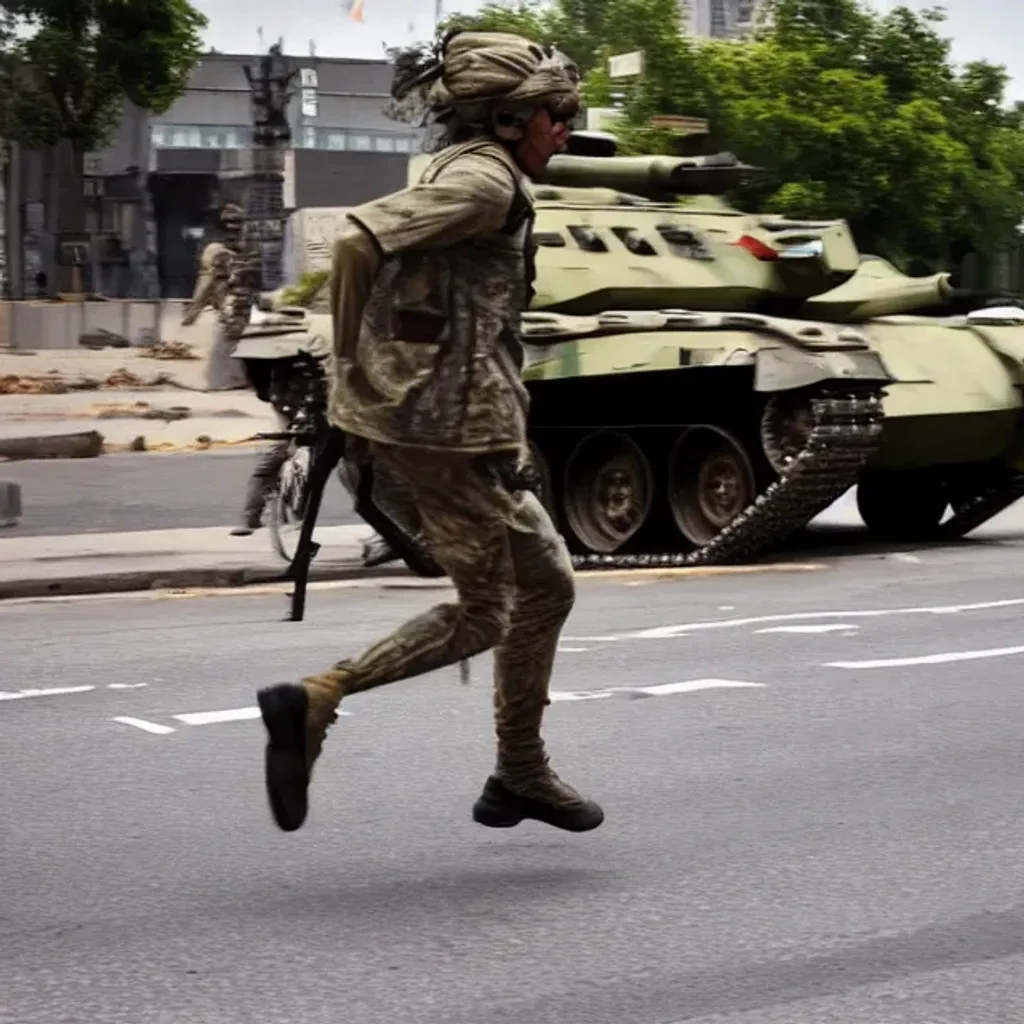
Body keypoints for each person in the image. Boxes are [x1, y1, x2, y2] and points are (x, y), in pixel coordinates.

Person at [256, 29, 604, 835]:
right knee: (487, 610)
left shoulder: (469, 170)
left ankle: (518, 772)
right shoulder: (484, 182)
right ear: (513, 120)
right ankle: (318, 698)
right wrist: (348, 371)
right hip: (443, 432)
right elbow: (355, 238)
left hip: (450, 423)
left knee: (547, 583)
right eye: (557, 115)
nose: (566, 129)